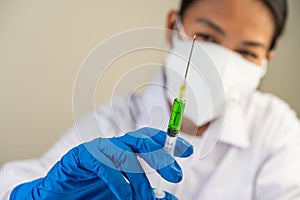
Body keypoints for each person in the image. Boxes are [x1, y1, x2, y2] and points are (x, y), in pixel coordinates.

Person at [1, 0, 299, 199]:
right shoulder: (115, 122)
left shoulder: (274, 129)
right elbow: (10, 184)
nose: (219, 65)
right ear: (173, 27)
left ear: (265, 60)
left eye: (247, 52)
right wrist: (39, 194)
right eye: (207, 38)